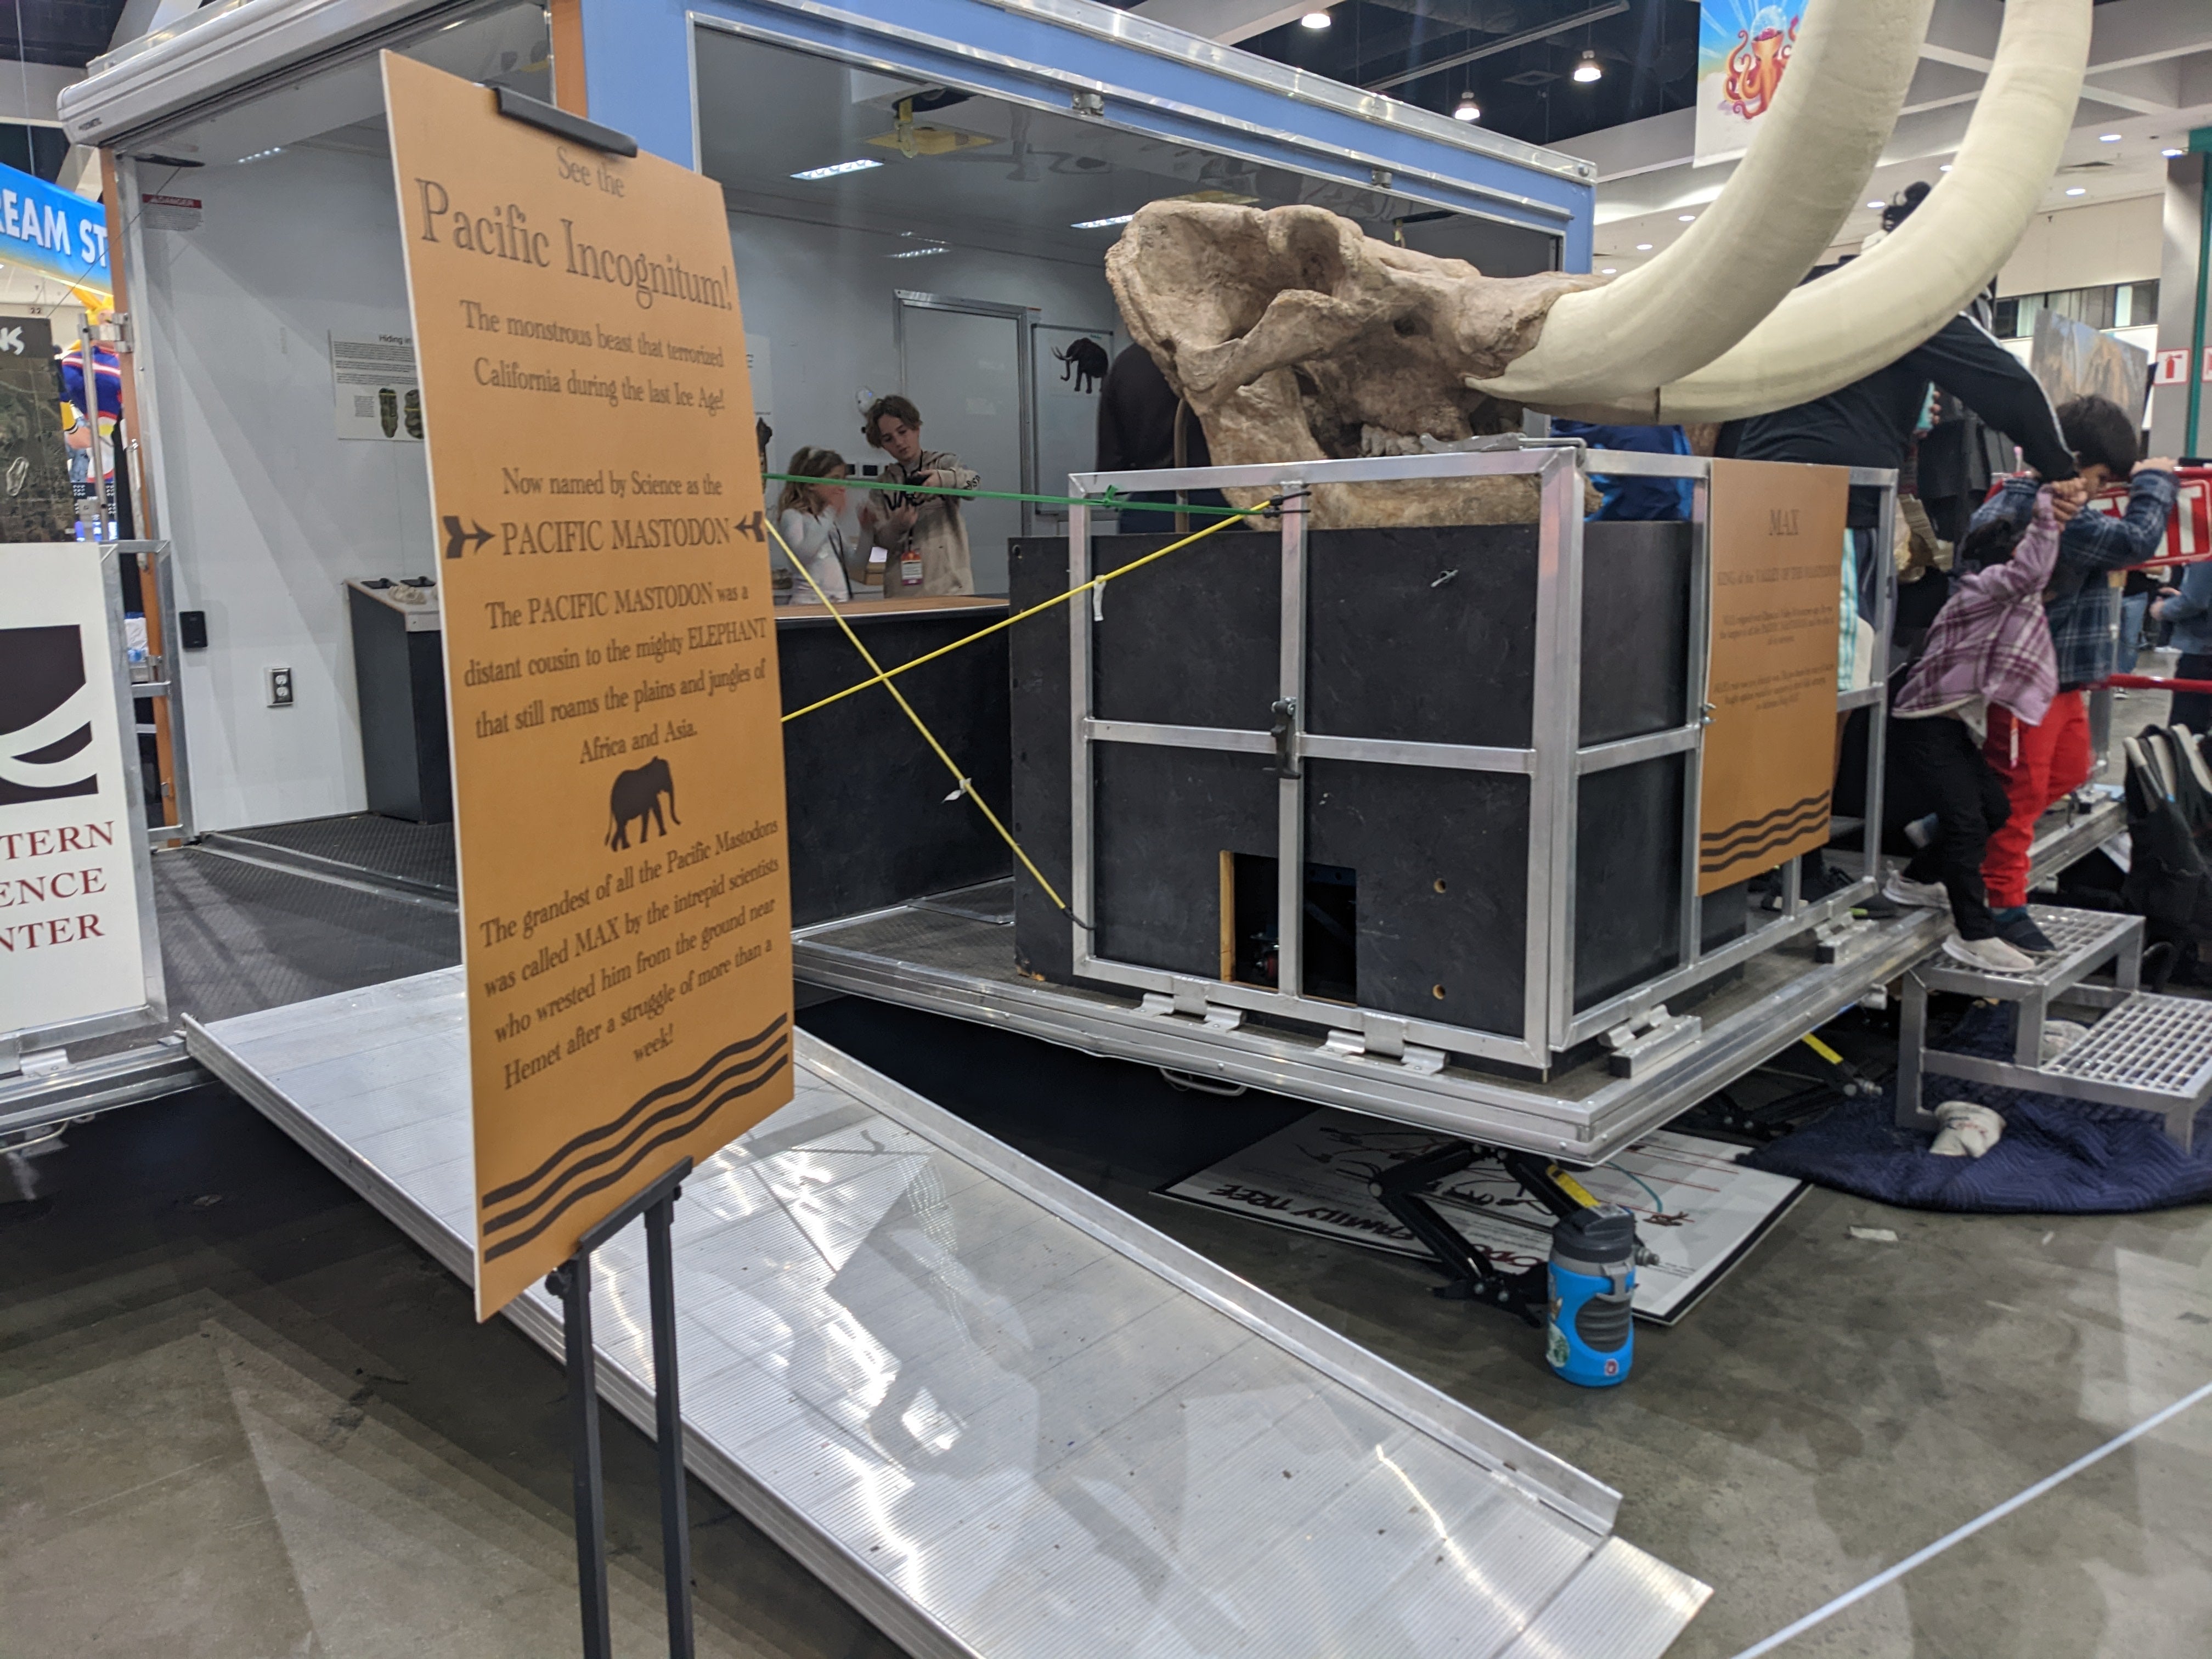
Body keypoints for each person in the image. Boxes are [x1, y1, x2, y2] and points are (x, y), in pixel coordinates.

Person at [1717, 182, 2077, 899]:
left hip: (1745, 497)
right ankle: (1796, 860)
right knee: (1827, 688)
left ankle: (1754, 856)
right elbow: (2007, 385)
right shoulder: (1907, 290)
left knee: (1750, 687)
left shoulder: (1821, 284)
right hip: (1833, 507)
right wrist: (2062, 469)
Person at [1967, 398, 2177, 953]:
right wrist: (2156, 484)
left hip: (2055, 679)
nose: (2098, 492)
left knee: (2065, 773)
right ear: (2073, 458)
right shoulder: (2043, 510)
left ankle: (1956, 833)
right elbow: (2134, 543)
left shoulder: (2044, 503)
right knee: (2022, 793)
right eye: (2100, 478)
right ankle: (2002, 904)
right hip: (2024, 683)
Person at [1885, 482, 2082, 969]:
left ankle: (1913, 881)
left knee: (1993, 808)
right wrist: (2047, 513)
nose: (2047, 599)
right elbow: (2032, 568)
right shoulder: (1992, 592)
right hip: (1923, 724)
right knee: (1967, 823)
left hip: (1948, 728)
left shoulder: (2005, 602)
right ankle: (1972, 934)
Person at [860, 394, 978, 597]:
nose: (899, 442)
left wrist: (942, 480)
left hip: (950, 590)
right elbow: (880, 543)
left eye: (903, 432)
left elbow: (974, 483)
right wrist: (897, 526)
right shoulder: (882, 486)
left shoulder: (944, 463)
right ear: (882, 445)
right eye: (888, 439)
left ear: (916, 427)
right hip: (902, 595)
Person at [774, 446, 852, 605]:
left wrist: (868, 530)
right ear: (811, 484)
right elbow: (803, 556)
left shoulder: (828, 523)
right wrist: (831, 511)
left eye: (844, 479)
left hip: (839, 605)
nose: (842, 487)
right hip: (809, 604)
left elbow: (855, 562)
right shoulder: (793, 516)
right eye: (835, 479)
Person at [2151, 555, 2212, 734]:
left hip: (2202, 653)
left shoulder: (2206, 556)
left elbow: (2195, 602)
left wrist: (2164, 609)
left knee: (2186, 732)